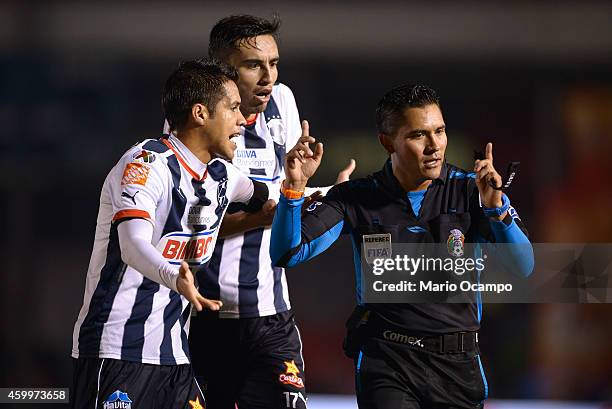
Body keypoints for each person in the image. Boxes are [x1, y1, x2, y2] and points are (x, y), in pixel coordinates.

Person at [270, 84, 534, 409]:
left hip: (458, 366)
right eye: (418, 135)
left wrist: (496, 207)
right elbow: (287, 252)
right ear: (387, 142)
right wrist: (294, 190)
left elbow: (524, 267)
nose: (434, 145)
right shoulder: (356, 197)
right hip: (387, 362)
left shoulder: (473, 192)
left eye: (440, 131)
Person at [167, 15, 353, 409]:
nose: (269, 76)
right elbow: (186, 228)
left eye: (274, 63)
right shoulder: (191, 118)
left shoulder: (281, 100)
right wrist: (270, 212)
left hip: (271, 317)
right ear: (223, 71)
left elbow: (289, 187)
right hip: (204, 318)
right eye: (254, 65)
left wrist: (322, 193)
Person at [71, 59, 270, 409]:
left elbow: (272, 201)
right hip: (117, 351)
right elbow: (132, 245)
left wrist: (318, 192)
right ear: (200, 113)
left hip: (176, 359)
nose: (243, 121)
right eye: (234, 108)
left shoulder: (223, 175)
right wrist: (174, 277)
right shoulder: (145, 165)